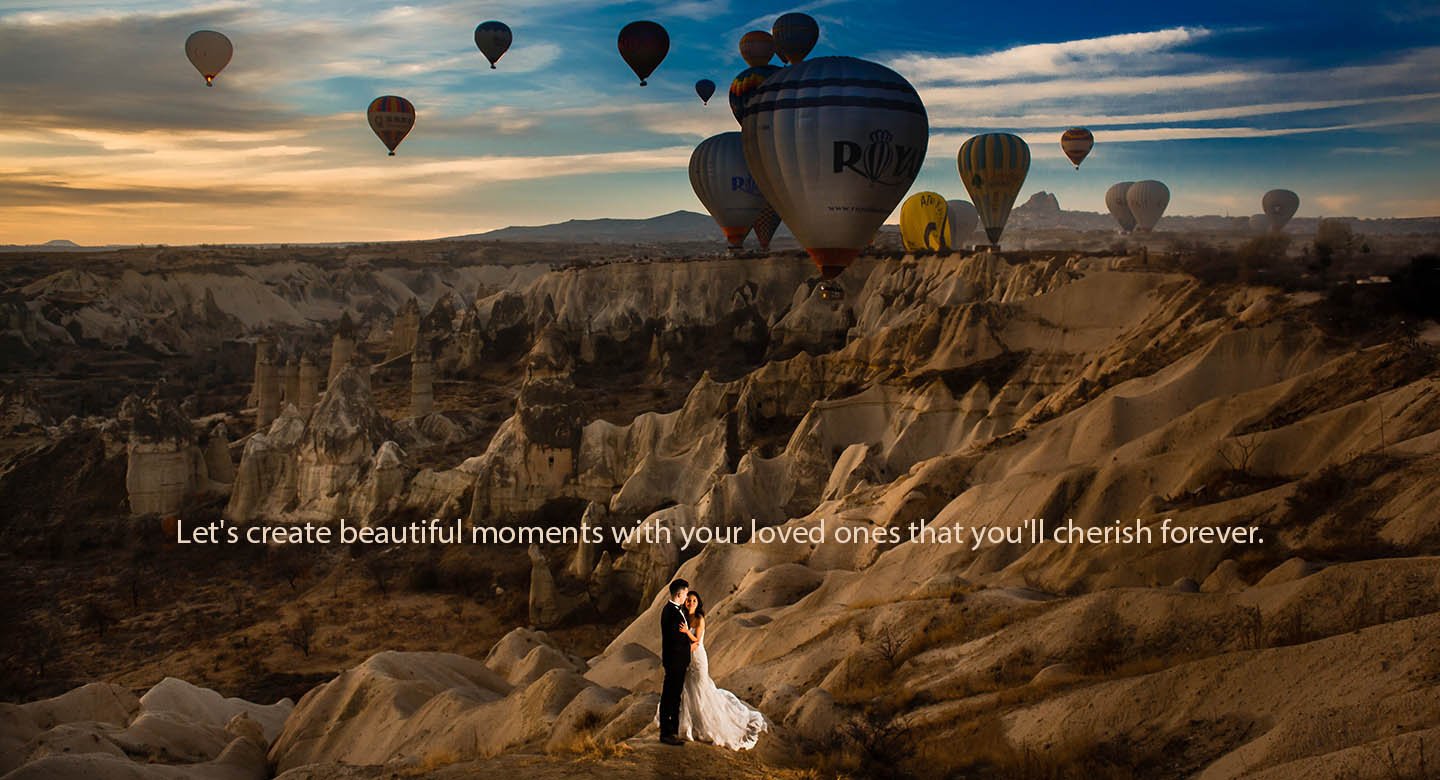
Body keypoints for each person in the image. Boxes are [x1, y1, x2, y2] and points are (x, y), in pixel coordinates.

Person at [674, 590, 768, 750]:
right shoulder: (682, 617)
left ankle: (705, 724)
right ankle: (688, 726)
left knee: (700, 689)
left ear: (698, 603)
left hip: (697, 658)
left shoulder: (699, 619)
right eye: (688, 600)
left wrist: (686, 634)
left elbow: (697, 641)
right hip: (685, 656)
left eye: (694, 601)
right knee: (687, 689)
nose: (691, 603)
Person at [658, 578, 691, 746]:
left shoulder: (676, 610)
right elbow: (675, 639)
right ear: (679, 594)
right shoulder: (670, 612)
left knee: (675, 696)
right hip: (674, 661)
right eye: (685, 593)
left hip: (678, 661)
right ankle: (667, 733)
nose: (686, 596)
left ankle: (673, 731)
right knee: (670, 696)